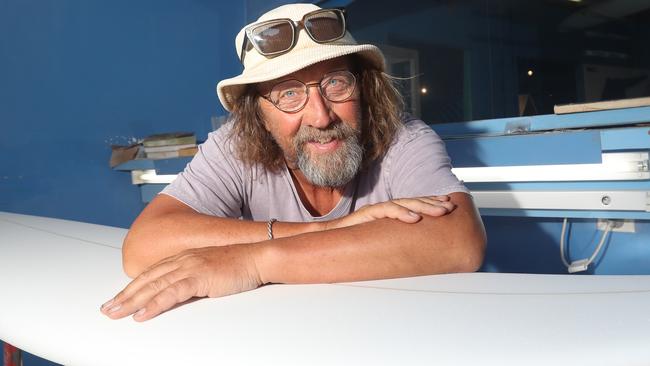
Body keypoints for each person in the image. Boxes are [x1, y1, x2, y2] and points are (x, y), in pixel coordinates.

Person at [101, 3, 486, 322]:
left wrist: (253, 263)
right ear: (259, 115)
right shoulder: (234, 147)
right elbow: (144, 246)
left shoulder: (404, 138)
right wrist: (334, 230)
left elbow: (459, 241)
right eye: (288, 94)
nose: (320, 117)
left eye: (336, 83)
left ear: (364, 89)